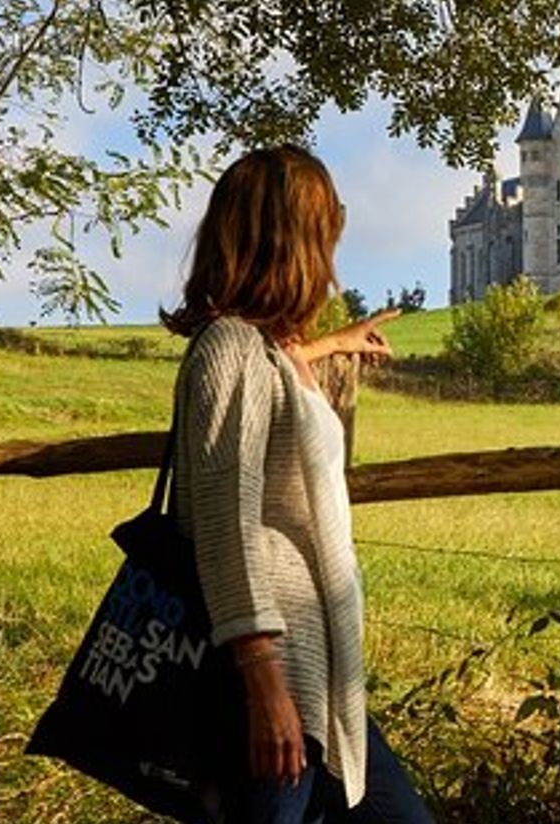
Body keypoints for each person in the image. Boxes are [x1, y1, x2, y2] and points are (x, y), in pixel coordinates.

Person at [162, 146, 432, 823]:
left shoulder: (262, 352)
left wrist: (332, 345)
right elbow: (227, 526)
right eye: (322, 233)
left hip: (319, 681)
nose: (332, 257)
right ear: (287, 239)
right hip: (275, 682)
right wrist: (263, 682)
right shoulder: (229, 349)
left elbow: (273, 379)